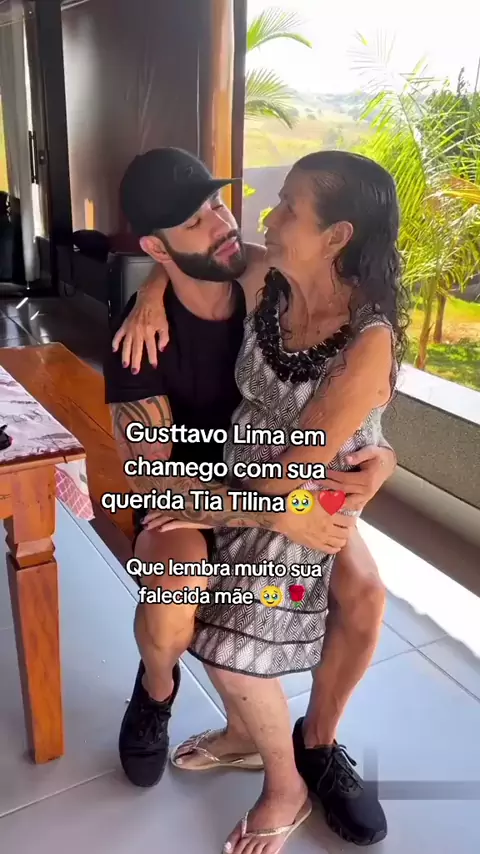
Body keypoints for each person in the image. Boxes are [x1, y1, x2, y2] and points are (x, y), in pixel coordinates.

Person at [105, 147, 400, 850]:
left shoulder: (263, 273)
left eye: (218, 204)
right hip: (194, 490)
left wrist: (382, 459)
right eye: (196, 220)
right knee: (182, 591)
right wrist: (150, 290)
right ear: (157, 248)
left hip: (288, 482)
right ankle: (156, 689)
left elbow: (349, 388)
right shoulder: (141, 342)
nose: (226, 223)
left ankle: (316, 745)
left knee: (364, 593)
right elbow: (156, 479)